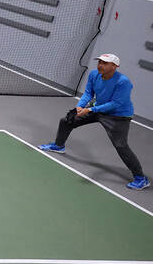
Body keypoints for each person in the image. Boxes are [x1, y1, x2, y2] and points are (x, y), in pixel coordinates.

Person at [39, 54, 147, 190]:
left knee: (121, 146)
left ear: (114, 66)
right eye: (100, 62)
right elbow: (88, 93)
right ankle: (58, 145)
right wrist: (80, 105)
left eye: (105, 63)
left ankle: (140, 178)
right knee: (66, 121)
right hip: (97, 110)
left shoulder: (123, 82)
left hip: (117, 116)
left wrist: (90, 110)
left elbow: (116, 103)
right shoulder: (94, 74)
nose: (100, 65)